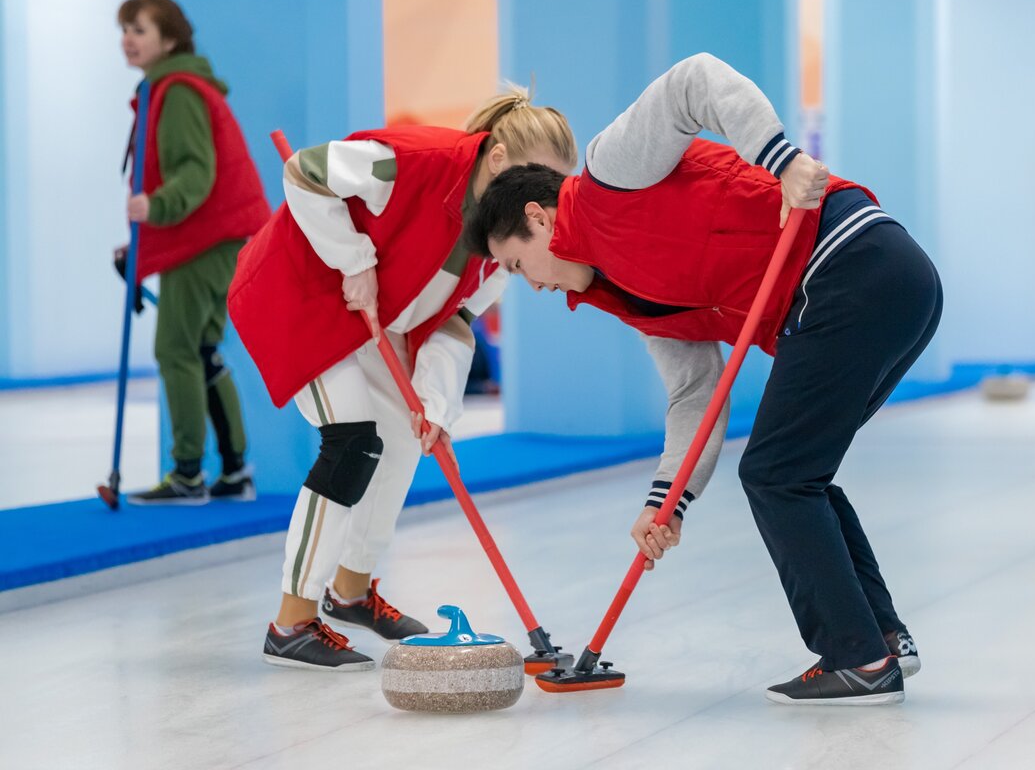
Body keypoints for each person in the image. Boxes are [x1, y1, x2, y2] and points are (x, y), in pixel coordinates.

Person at [465, 53, 941, 705]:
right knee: (799, 473)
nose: (532, 286)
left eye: (518, 267)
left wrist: (782, 160)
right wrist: (668, 501)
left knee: (778, 474)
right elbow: (694, 396)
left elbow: (695, 81)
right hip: (877, 286)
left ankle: (857, 656)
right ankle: (880, 641)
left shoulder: (609, 177)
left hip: (849, 262)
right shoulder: (624, 295)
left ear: (539, 219)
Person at [228, 89, 577, 671]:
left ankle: (352, 591)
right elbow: (306, 172)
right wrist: (355, 259)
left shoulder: (498, 244)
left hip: (371, 318)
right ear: (495, 158)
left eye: (551, 187)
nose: (539, 199)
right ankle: (290, 624)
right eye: (534, 176)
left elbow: (456, 321)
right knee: (352, 441)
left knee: (401, 436)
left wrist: (435, 404)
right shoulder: (413, 161)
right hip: (298, 293)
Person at [117, 0, 267, 504]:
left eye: (139, 29)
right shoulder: (174, 87)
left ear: (171, 40)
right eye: (126, 29)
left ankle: (187, 474)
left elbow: (193, 174)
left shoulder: (177, 91)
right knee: (201, 351)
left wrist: (154, 208)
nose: (128, 39)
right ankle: (234, 470)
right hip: (216, 236)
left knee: (175, 350)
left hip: (202, 239)